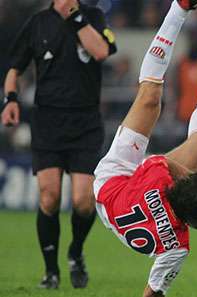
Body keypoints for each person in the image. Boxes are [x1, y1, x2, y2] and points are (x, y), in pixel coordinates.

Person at [92, 1, 197, 296]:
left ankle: (178, 9)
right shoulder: (178, 246)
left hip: (111, 182)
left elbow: (159, 164)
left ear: (175, 185)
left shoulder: (158, 178)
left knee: (149, 97)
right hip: (132, 197)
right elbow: (152, 291)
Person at [1, 0, 116, 289]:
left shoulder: (93, 16)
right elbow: (15, 68)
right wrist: (11, 100)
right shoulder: (38, 22)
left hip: (85, 123)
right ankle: (51, 272)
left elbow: (101, 51)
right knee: (49, 197)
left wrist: (76, 17)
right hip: (48, 122)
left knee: (83, 201)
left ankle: (75, 252)